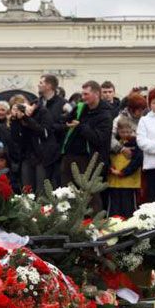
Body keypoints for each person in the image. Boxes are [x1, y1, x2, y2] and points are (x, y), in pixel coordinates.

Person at [61, 80, 112, 211]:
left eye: (86, 94)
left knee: (90, 195)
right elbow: (66, 120)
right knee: (68, 193)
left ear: (96, 94)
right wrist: (66, 120)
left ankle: (94, 224)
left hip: (90, 160)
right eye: (82, 94)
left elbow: (100, 139)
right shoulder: (80, 108)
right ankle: (69, 222)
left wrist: (81, 126)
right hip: (70, 156)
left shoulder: (105, 114)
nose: (83, 97)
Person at [10, 98, 60, 194]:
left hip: (43, 156)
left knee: (41, 190)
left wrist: (27, 118)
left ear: (28, 104)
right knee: (27, 189)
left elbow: (44, 132)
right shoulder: (18, 119)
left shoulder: (42, 112)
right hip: (27, 155)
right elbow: (16, 138)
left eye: (22, 106)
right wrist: (15, 119)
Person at [107, 120, 142, 217]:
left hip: (130, 182)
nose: (125, 134)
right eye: (122, 132)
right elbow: (107, 158)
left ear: (132, 131)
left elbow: (137, 161)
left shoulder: (136, 144)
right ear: (118, 131)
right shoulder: (114, 145)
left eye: (128, 132)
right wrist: (110, 169)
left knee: (129, 209)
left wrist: (123, 172)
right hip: (114, 181)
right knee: (114, 209)